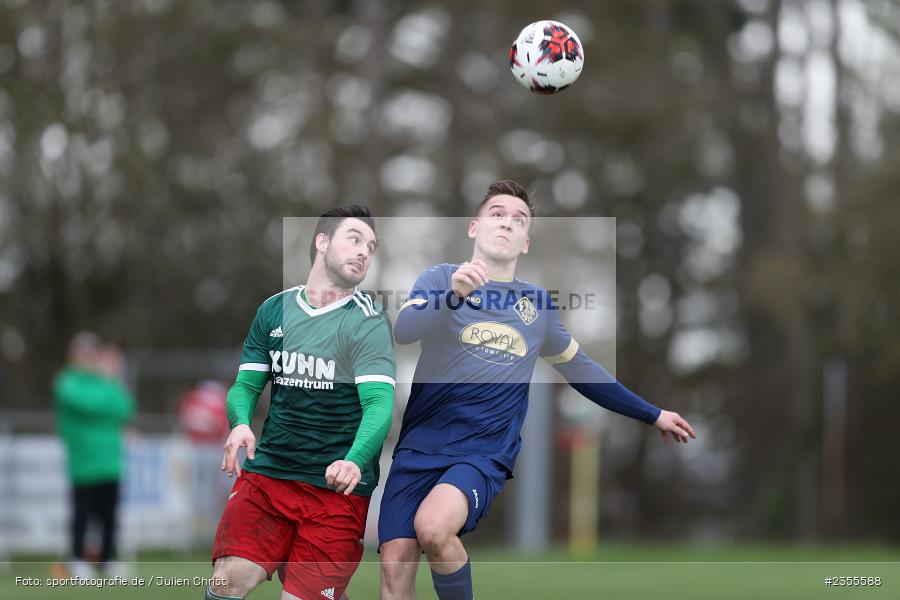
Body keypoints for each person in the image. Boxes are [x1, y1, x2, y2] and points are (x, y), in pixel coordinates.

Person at [378, 180, 697, 600]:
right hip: (419, 445)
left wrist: (652, 413)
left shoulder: (536, 307)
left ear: (525, 243)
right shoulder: (440, 278)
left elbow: (582, 370)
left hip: (481, 451)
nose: (507, 224)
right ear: (473, 228)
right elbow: (404, 330)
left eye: (519, 220)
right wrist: (454, 296)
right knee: (394, 567)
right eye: (497, 214)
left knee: (434, 528)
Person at [207, 205, 396, 600]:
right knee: (227, 582)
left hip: (336, 492)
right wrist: (240, 422)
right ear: (322, 242)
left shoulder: (368, 321)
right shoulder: (274, 310)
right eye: (355, 239)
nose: (364, 251)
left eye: (371, 246)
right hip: (270, 476)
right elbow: (245, 386)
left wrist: (355, 459)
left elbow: (380, 405)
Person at [54, 332, 135, 578]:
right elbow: (89, 405)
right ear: (74, 355)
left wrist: (109, 384)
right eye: (85, 353)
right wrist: (107, 391)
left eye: (93, 353)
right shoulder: (67, 382)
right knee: (82, 513)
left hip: (110, 460)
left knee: (109, 514)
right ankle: (78, 558)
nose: (89, 359)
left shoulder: (105, 382)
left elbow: (124, 407)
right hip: (84, 461)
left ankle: (106, 559)